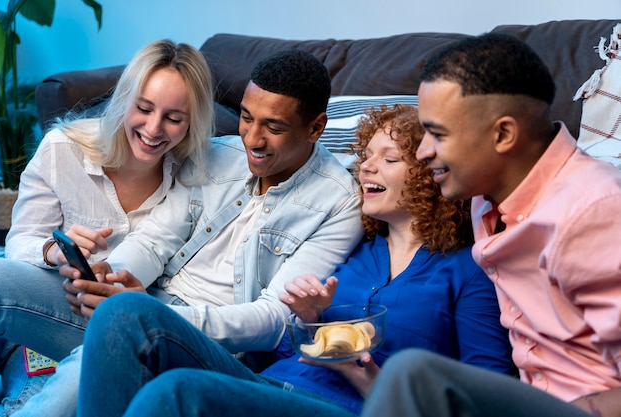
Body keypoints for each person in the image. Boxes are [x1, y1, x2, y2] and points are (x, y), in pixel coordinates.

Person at [75, 104, 514, 417]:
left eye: (389, 159)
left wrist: (365, 377)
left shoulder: (468, 271)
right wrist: (307, 321)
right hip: (272, 385)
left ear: (429, 172)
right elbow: (283, 348)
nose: (364, 169)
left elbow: (486, 402)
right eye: (366, 157)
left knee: (177, 391)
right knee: (126, 312)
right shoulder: (357, 249)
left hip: (347, 406)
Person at [13, 49, 363, 416]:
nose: (252, 139)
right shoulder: (218, 153)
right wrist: (112, 278)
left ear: (316, 128)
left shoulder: (339, 203)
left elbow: (274, 319)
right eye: (246, 118)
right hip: (142, 306)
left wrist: (158, 316)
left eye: (273, 128)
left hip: (209, 343)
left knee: (100, 348)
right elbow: (154, 240)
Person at [360, 33, 621, 417]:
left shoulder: (593, 211)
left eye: (438, 134)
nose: (422, 152)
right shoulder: (483, 195)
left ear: (503, 134)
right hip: (527, 396)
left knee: (412, 373)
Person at [0, 39, 215, 415]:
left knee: (57, 395)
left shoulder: (195, 177)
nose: (153, 128)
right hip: (48, 310)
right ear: (123, 99)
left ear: (193, 122)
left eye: (174, 119)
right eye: (143, 109)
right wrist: (54, 250)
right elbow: (19, 245)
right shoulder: (62, 150)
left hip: (122, 327)